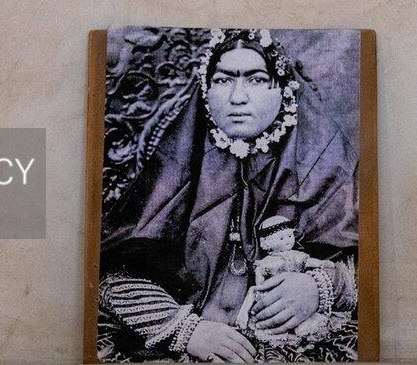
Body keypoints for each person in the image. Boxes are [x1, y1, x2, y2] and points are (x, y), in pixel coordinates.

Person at [98, 28, 359, 362]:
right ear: (207, 91)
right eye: (223, 80)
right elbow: (110, 275)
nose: (238, 97)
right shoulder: (175, 163)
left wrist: (320, 287)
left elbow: (370, 269)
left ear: (283, 88)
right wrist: (185, 330)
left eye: (256, 79)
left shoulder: (327, 164)